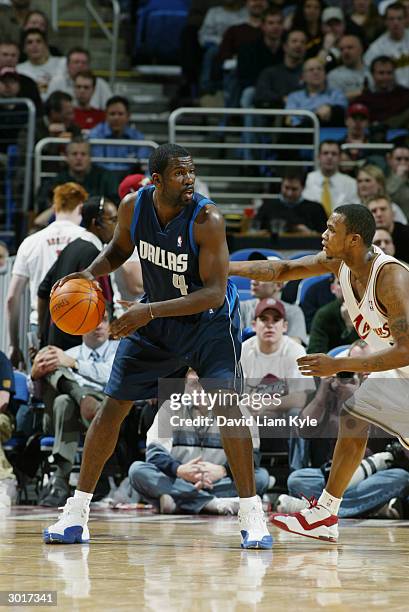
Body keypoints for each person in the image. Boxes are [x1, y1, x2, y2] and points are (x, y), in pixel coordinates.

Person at [43, 143, 272, 549]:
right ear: (157, 179)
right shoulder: (134, 206)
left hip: (208, 325)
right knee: (112, 408)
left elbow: (216, 294)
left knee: (227, 408)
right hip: (157, 323)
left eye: (192, 171)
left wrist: (146, 313)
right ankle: (76, 513)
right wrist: (88, 274)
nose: (190, 179)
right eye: (181, 173)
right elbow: (117, 250)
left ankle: (252, 513)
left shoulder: (207, 218)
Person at [229, 203, 409, 542]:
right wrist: (223, 269)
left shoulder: (390, 277)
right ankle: (326, 513)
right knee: (354, 415)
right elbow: (282, 269)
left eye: (331, 230)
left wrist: (339, 363)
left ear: (354, 240)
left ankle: (326, 512)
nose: (323, 235)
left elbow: (405, 349)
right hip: (400, 373)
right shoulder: (339, 263)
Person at [129, 369, 270, 515]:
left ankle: (181, 501)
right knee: (137, 470)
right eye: (194, 384)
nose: (201, 390)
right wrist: (179, 470)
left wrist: (223, 471)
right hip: (178, 478)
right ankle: (212, 503)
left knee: (261, 477)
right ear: (185, 385)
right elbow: (154, 454)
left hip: (217, 480)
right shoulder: (170, 407)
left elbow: (252, 457)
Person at [31, 312, 118, 507]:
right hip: (66, 412)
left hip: (106, 405)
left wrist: (75, 364)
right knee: (49, 359)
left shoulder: (119, 349)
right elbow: (36, 395)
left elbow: (111, 376)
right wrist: (35, 376)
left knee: (64, 400)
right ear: (79, 327)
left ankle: (61, 480)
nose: (98, 326)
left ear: (110, 326)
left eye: (103, 320)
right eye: (92, 321)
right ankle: (81, 397)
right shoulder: (66, 353)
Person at [6, 182, 86, 368]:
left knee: (40, 389)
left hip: (40, 324)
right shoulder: (88, 238)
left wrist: (13, 345)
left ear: (54, 206)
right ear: (81, 206)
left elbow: (11, 298)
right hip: (79, 324)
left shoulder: (30, 242)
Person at [37, 197, 119, 351]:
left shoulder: (71, 247)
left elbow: (43, 290)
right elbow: (104, 305)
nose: (117, 226)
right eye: (113, 220)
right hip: (77, 347)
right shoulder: (94, 255)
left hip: (55, 340)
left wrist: (43, 333)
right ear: (96, 223)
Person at [36, 137, 119, 213]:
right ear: (66, 157)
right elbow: (45, 205)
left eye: (83, 154)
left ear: (90, 157)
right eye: (74, 154)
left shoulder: (106, 178)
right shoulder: (57, 181)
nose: (79, 158)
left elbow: (115, 205)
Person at [88, 95, 149, 175]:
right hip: (102, 178)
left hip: (128, 177)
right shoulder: (95, 135)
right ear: (106, 115)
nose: (116, 118)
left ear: (128, 116)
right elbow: (97, 165)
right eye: (112, 114)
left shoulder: (137, 137)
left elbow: (144, 163)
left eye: (120, 114)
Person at [302, 140, 358, 216]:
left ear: (340, 157)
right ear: (318, 157)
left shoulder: (351, 183)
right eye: (325, 153)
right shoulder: (307, 180)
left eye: (334, 154)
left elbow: (356, 212)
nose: (329, 157)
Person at [47, 47, 112, 110]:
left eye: (84, 63)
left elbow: (110, 107)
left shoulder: (101, 84)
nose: (80, 66)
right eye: (76, 62)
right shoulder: (57, 82)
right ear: (67, 65)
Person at [364, 1, 409, 88]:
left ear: (406, 19)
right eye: (391, 19)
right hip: (393, 95)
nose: (396, 23)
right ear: (385, 21)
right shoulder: (376, 48)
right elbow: (369, 76)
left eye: (399, 18)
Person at [16, 28, 65, 100]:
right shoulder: (18, 70)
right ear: (24, 48)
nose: (34, 45)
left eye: (38, 41)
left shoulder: (62, 63)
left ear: (46, 45)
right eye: (30, 42)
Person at [367, 195, 409, 263]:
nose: (379, 214)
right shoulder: (363, 238)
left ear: (393, 213)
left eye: (383, 209)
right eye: (374, 211)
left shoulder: (406, 234)